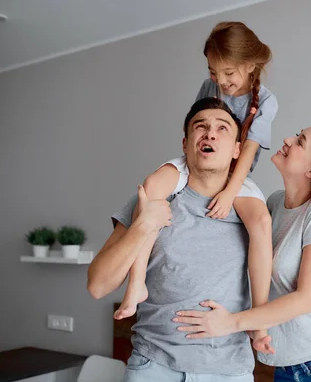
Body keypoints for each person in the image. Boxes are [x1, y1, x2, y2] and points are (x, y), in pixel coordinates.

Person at [115, 22, 279, 345]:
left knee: (260, 221)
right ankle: (136, 283)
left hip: (236, 172)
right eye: (214, 72)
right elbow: (197, 125)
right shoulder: (210, 87)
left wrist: (231, 190)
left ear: (250, 66)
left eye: (228, 73)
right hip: (197, 163)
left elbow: (247, 151)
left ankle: (259, 322)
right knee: (152, 188)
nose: (221, 81)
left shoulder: (266, 102)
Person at [173, 122, 311, 382]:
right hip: (289, 365)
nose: (288, 139)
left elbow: (307, 299)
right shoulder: (275, 203)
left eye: (300, 141)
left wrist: (233, 322)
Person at [87, 97, 262, 382]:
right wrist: (142, 225)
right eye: (200, 126)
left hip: (229, 373)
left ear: (236, 150)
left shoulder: (254, 214)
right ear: (185, 144)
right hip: (153, 367)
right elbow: (97, 285)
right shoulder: (152, 199)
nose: (210, 133)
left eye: (222, 128)